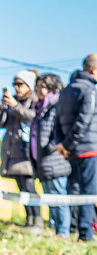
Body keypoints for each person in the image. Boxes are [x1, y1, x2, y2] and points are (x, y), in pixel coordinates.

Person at [55, 54, 97, 243]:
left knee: (74, 190)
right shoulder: (90, 90)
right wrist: (68, 144)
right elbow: (84, 120)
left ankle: (75, 229)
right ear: (94, 70)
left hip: (69, 151)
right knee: (89, 192)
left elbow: (56, 122)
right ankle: (86, 234)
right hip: (89, 148)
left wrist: (63, 145)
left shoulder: (65, 90)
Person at [0, 70, 41, 231]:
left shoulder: (34, 100)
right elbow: (0, 123)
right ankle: (29, 220)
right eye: (15, 84)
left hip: (26, 152)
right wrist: (2, 107)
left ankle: (37, 221)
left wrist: (15, 106)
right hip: (12, 151)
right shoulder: (12, 101)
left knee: (30, 188)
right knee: (22, 189)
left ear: (28, 85)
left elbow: (32, 118)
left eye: (20, 84)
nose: (17, 88)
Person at [30, 73, 71, 239]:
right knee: (50, 198)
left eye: (43, 86)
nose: (39, 90)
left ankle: (63, 232)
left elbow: (59, 131)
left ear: (53, 87)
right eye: (38, 86)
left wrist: (49, 147)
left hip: (55, 160)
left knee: (59, 198)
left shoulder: (57, 106)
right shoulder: (40, 108)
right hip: (43, 161)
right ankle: (55, 230)